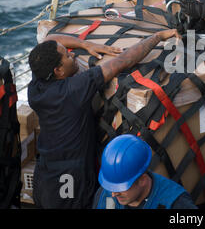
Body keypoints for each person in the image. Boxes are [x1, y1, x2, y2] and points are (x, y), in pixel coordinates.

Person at [28, 29, 178, 209]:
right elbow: (125, 60)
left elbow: (50, 39)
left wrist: (87, 44)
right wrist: (157, 36)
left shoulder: (37, 83)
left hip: (45, 170)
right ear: (58, 70)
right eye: (67, 56)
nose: (73, 54)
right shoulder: (73, 90)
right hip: (68, 179)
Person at [93, 134, 197, 209]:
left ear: (142, 180)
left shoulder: (175, 203)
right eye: (111, 186)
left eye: (121, 187)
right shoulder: (105, 192)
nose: (113, 194)